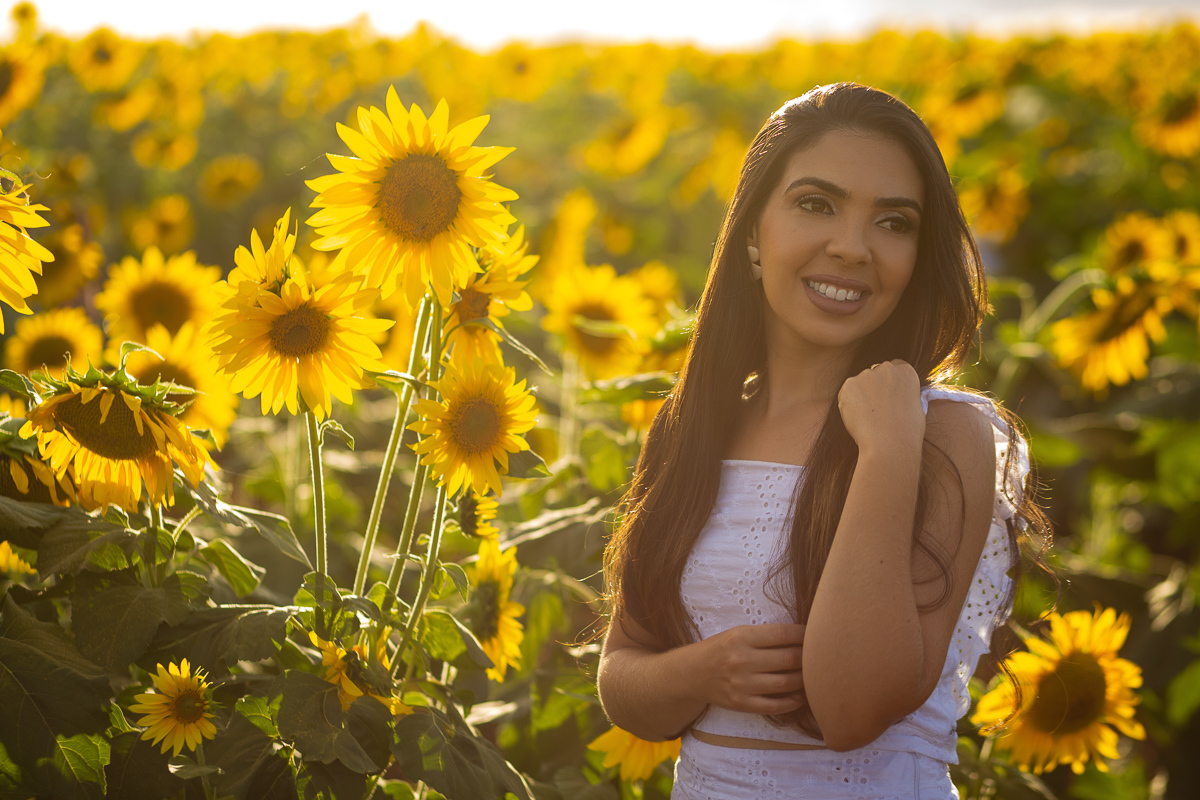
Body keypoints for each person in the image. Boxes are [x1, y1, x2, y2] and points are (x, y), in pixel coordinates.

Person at [597, 82, 1051, 799]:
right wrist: (704, 671)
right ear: (752, 232)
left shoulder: (951, 434)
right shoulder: (692, 425)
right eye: (816, 204)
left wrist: (890, 447)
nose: (852, 247)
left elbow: (851, 708)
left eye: (894, 223)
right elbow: (622, 675)